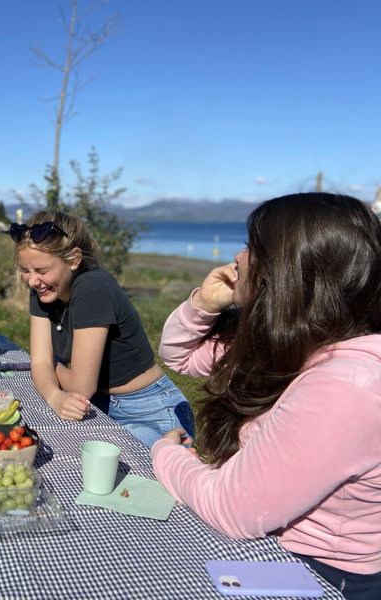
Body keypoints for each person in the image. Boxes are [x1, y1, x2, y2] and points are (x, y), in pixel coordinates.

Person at [153, 193, 381, 599]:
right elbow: (178, 355)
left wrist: (165, 451)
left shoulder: (346, 386)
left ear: (289, 271)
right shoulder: (298, 343)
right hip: (278, 545)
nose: (238, 257)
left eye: (253, 247)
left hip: (323, 574)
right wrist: (204, 304)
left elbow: (232, 509)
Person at [11, 210, 194, 447]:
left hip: (151, 412)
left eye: (42, 271)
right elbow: (38, 363)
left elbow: (78, 385)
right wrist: (54, 396)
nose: (33, 280)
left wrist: (52, 365)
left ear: (74, 259)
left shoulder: (92, 288)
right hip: (100, 404)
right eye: (26, 271)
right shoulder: (42, 289)